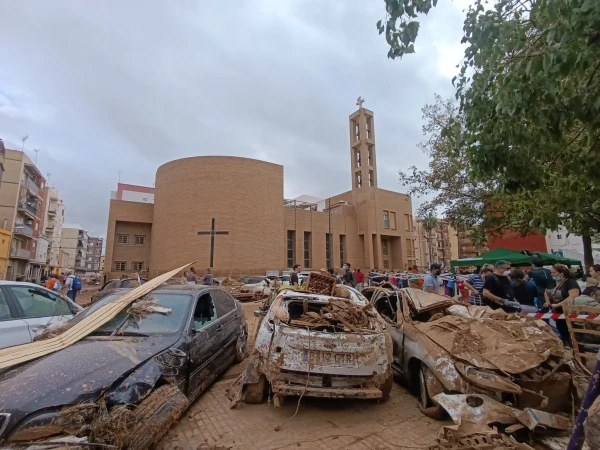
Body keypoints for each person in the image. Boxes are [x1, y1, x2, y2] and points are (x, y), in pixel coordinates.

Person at [541, 264, 581, 346]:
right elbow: (546, 292)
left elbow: (573, 295)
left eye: (554, 273)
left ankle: (575, 349)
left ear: (561, 274)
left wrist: (559, 304)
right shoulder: (552, 282)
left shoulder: (570, 282)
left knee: (572, 333)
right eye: (551, 273)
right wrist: (547, 301)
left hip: (569, 311)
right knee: (561, 331)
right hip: (557, 312)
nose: (552, 274)